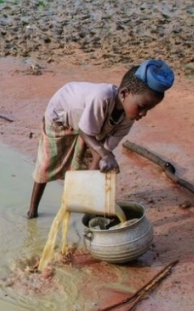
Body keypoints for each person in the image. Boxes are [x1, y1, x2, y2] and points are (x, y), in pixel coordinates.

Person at [26, 59, 174, 219]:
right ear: (124, 93)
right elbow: (85, 132)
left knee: (86, 162)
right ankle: (32, 210)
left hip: (89, 127)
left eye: (148, 110)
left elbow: (104, 148)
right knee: (48, 162)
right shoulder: (102, 98)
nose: (143, 114)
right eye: (141, 106)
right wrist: (105, 155)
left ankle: (82, 208)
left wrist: (90, 181)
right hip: (61, 116)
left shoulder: (128, 119)